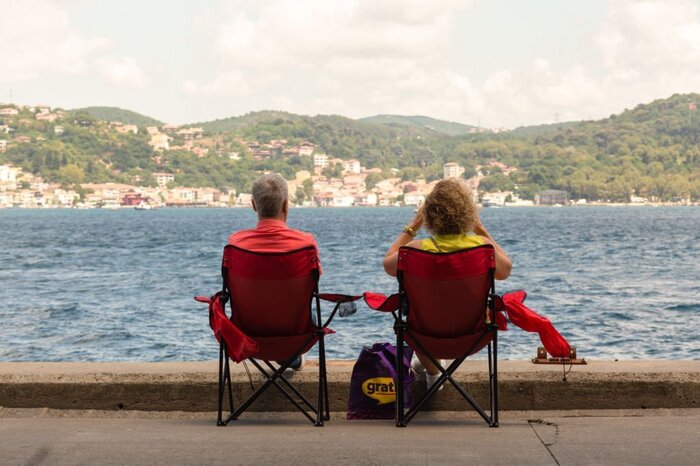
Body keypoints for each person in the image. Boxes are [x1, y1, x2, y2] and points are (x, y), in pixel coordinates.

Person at [382, 177, 512, 388]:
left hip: (423, 335)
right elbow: (505, 271)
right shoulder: (483, 248)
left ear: (430, 216)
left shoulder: (414, 250)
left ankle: (433, 372)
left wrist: (412, 227)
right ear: (468, 214)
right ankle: (434, 373)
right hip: (473, 334)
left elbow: (388, 264)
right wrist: (481, 230)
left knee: (414, 311)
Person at [228, 173, 321, 370]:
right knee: (302, 305)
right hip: (295, 335)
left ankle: (286, 358)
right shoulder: (306, 244)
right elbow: (313, 283)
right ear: (286, 205)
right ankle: (289, 358)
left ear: (254, 205)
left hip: (246, 334)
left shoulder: (235, 244)